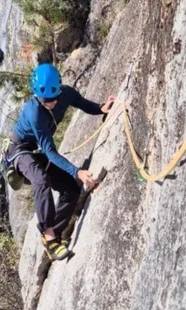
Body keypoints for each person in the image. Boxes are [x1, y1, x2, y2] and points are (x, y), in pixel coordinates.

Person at [6, 63, 115, 261]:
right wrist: (77, 171)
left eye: (53, 98)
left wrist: (101, 108)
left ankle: (55, 234)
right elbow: (49, 151)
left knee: (71, 189)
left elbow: (83, 104)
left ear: (58, 90)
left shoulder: (66, 94)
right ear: (38, 95)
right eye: (45, 100)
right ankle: (48, 239)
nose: (50, 103)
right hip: (20, 152)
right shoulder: (35, 113)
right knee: (40, 180)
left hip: (37, 153)